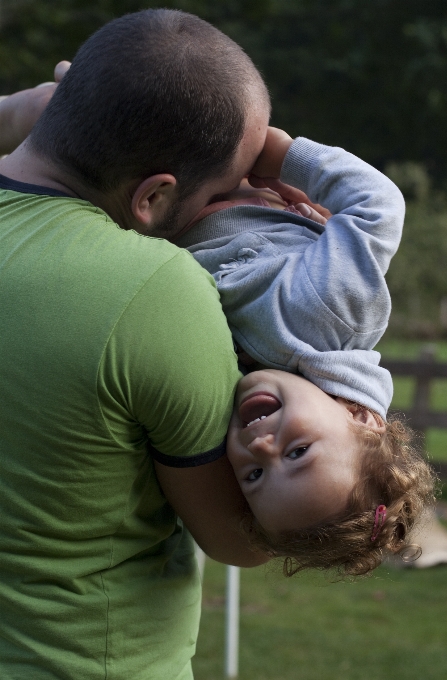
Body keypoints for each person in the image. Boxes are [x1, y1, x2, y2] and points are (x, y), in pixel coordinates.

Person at [0, 9, 272, 680]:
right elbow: (239, 537)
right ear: (152, 197)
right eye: (222, 192)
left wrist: (14, 113)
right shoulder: (155, 289)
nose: (232, 206)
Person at [175, 128, 437, 576]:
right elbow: (377, 208)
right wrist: (283, 157)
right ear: (361, 418)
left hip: (160, 208)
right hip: (226, 171)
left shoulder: (225, 389)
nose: (259, 446)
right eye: (297, 452)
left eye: (254, 476)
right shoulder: (332, 317)